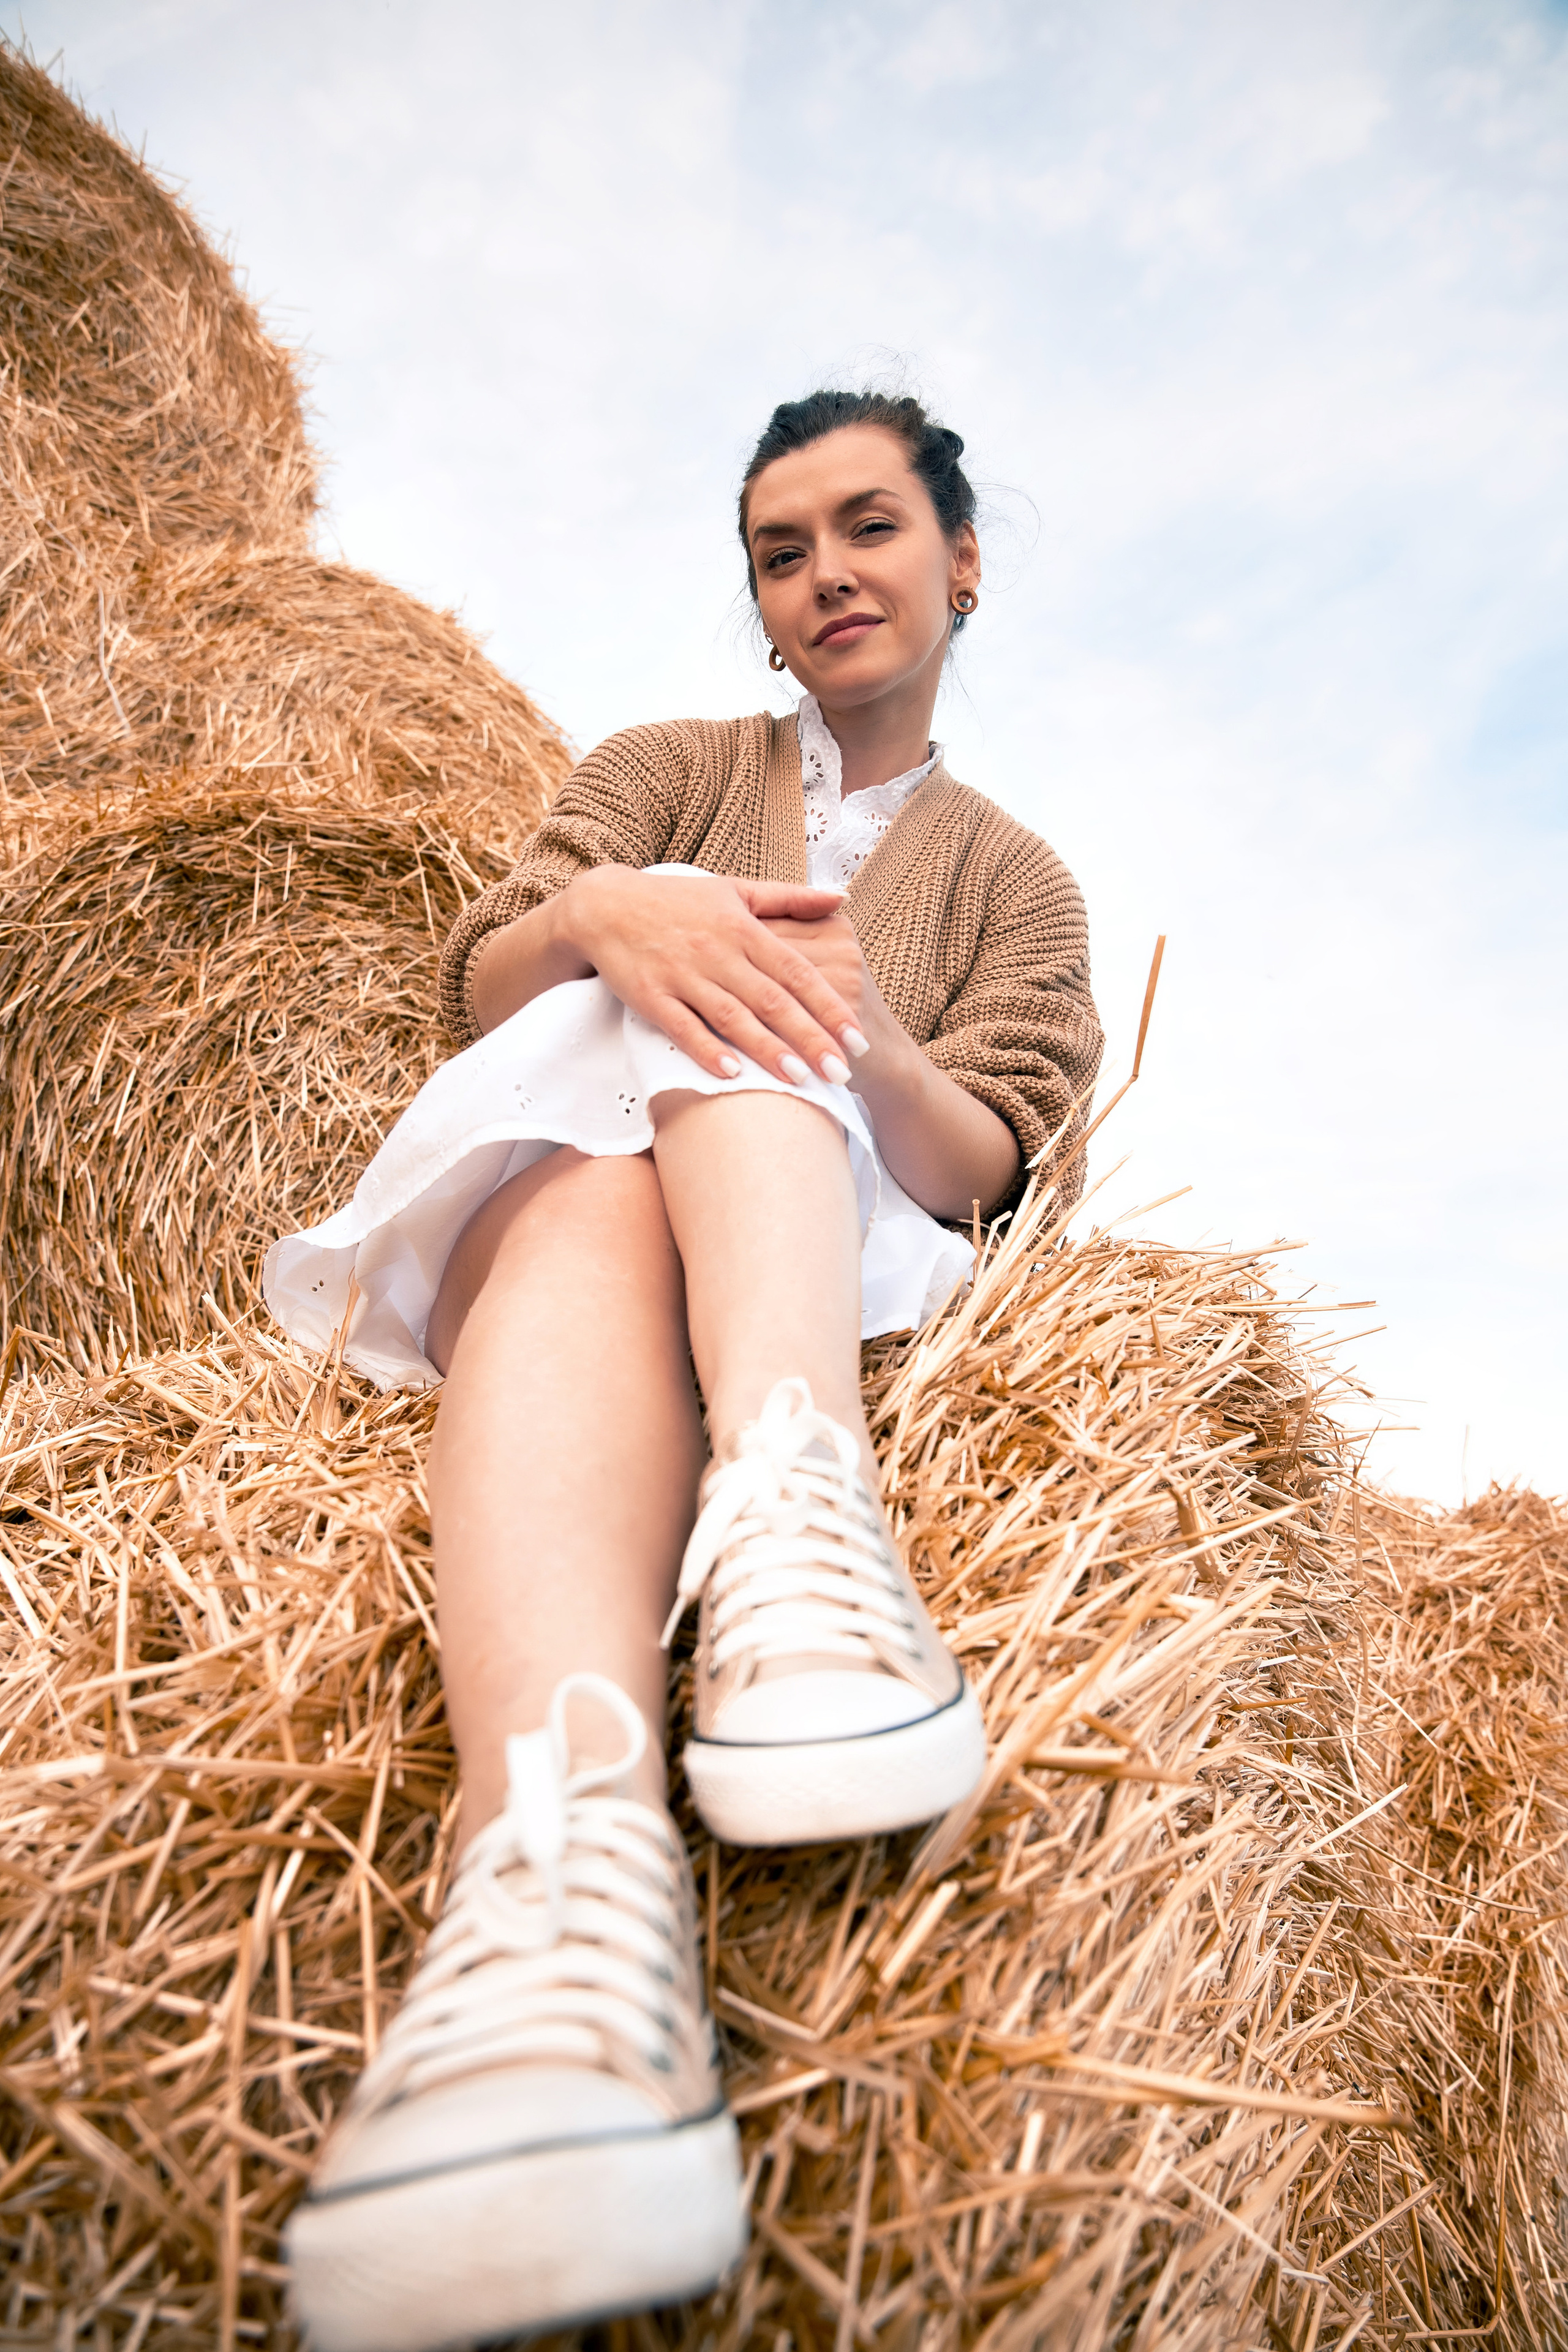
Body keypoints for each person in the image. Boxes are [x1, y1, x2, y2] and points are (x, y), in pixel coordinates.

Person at [266, 390, 1102, 2351]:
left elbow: (991, 1161)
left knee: (742, 997)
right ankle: (570, 1851)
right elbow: (487, 991)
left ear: (963, 560)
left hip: (848, 1227)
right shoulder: (661, 768)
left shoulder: (1021, 882)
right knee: (615, 1105)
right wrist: (606, 913)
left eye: (870, 527)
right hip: (580, 1180)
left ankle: (778, 1523)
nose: (826, 576)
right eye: (780, 552)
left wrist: (852, 1024)